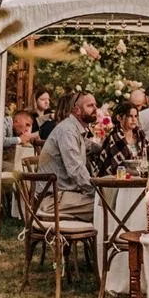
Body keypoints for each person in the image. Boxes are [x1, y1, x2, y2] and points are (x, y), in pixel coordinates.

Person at [39, 90, 98, 219]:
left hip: (66, 195)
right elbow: (75, 170)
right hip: (53, 199)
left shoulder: (75, 129)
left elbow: (90, 146)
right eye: (90, 106)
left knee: (108, 200)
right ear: (77, 111)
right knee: (103, 204)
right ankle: (106, 238)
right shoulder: (67, 131)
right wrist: (97, 191)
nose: (95, 109)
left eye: (95, 105)